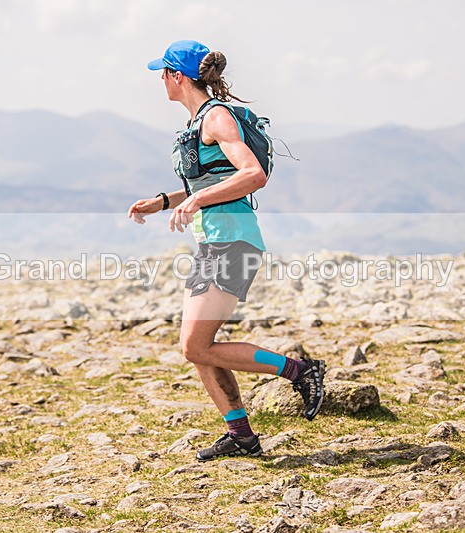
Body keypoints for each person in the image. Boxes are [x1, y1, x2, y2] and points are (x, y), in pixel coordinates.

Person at [127, 40, 325, 462]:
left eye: (162, 73)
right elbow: (210, 182)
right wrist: (164, 200)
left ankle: (299, 371)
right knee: (197, 345)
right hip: (214, 241)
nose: (159, 81)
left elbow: (252, 174)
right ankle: (240, 436)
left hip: (231, 242)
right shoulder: (202, 119)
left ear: (177, 76)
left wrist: (195, 202)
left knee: (196, 346)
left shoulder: (215, 117)